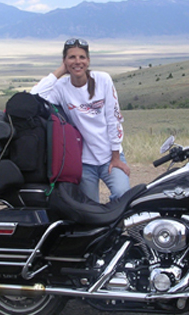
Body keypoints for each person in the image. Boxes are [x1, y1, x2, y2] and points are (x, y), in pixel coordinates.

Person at [31, 38, 130, 202]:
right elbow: (33, 98)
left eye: (82, 57)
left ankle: (116, 227)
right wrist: (60, 71)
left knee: (123, 197)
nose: (78, 62)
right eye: (72, 57)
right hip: (83, 162)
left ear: (88, 60)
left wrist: (116, 157)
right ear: (64, 61)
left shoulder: (103, 80)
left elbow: (113, 119)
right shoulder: (61, 87)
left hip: (110, 157)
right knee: (89, 208)